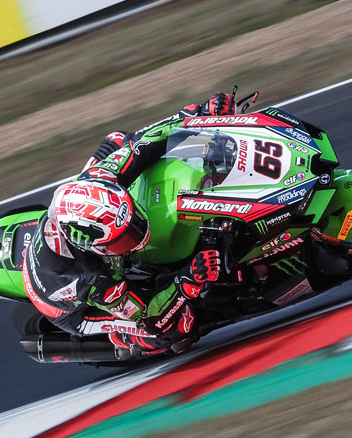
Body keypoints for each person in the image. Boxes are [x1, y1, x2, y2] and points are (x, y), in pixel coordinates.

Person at [22, 91, 236, 357]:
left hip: (76, 230)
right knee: (176, 330)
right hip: (70, 308)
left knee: (118, 140)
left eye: (132, 223)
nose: (137, 233)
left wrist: (198, 115)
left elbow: (144, 142)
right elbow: (150, 317)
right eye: (122, 239)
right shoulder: (94, 281)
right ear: (92, 246)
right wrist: (187, 278)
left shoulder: (98, 178)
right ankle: (124, 341)